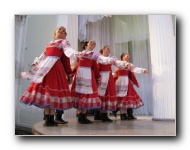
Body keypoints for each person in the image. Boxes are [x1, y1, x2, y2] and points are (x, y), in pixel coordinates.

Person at [20, 26, 73, 126]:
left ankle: (52, 118)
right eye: (59, 30)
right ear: (55, 33)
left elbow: (67, 57)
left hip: (56, 67)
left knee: (53, 92)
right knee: (47, 92)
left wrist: (69, 72)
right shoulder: (49, 43)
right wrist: (36, 62)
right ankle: (47, 117)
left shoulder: (64, 43)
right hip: (45, 68)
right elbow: (43, 55)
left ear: (65, 35)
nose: (61, 31)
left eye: (63, 31)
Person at [71, 40, 129, 124]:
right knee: (82, 95)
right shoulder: (80, 54)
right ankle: (82, 115)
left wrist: (97, 77)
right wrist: (70, 74)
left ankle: (89, 115)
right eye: (91, 42)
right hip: (82, 75)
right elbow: (75, 64)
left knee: (88, 95)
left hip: (95, 76)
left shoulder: (96, 57)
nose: (92, 44)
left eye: (94, 43)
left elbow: (95, 67)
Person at [95, 45, 129, 122]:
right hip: (102, 77)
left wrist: (125, 64)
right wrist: (98, 77)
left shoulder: (112, 58)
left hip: (109, 77)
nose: (108, 50)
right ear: (103, 49)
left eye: (109, 49)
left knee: (108, 95)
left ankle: (104, 114)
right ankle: (99, 114)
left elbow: (118, 64)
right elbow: (96, 68)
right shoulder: (99, 58)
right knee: (101, 95)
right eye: (107, 49)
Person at [112, 53, 148, 120]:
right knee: (121, 98)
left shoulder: (129, 65)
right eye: (127, 56)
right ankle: (122, 114)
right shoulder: (119, 64)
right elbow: (115, 74)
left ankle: (125, 114)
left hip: (127, 82)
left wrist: (142, 70)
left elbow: (135, 69)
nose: (128, 57)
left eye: (129, 56)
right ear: (123, 57)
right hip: (120, 82)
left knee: (126, 98)